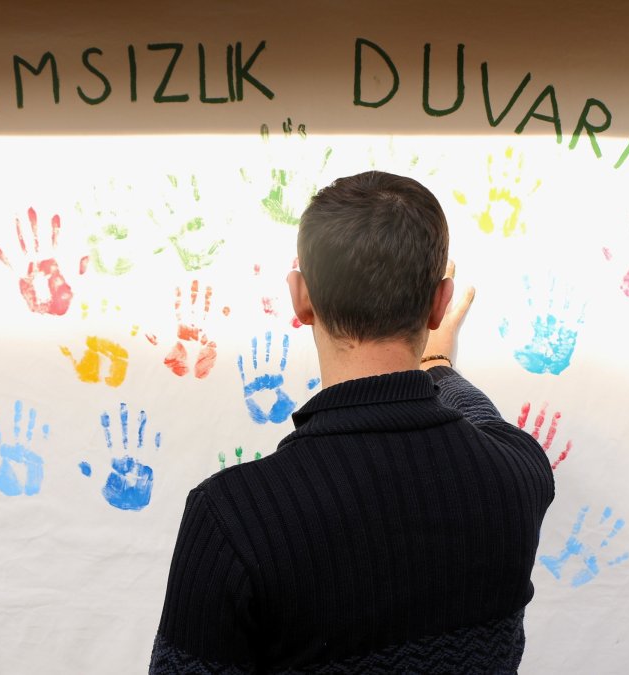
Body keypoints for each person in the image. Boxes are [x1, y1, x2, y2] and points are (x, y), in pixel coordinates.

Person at [149, 171, 555, 673]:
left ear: (300, 297)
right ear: (440, 303)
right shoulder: (518, 472)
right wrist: (438, 367)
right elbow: (480, 417)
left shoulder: (232, 518)